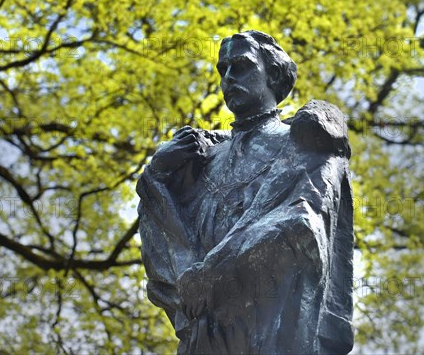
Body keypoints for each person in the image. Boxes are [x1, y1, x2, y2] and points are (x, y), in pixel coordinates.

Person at [137, 30, 353, 354]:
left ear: (274, 74)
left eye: (241, 66)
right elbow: (170, 268)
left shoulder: (308, 145)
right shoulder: (200, 160)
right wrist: (155, 175)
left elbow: (302, 226)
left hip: (276, 335)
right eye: (222, 70)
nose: (228, 78)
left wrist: (212, 274)